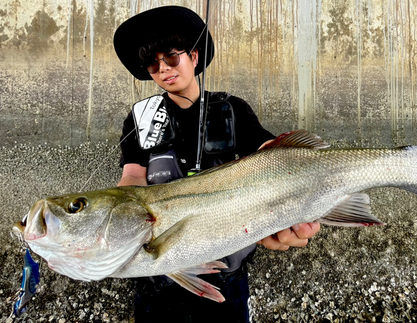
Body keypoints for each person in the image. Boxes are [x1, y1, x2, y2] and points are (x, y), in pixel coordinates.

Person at [113, 6, 320, 322]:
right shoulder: (139, 118)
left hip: (225, 276)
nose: (164, 69)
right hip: (157, 278)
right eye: (153, 65)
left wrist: (296, 192)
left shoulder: (232, 109)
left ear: (194, 57)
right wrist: (110, 224)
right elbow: (132, 176)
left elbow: (268, 150)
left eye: (171, 57)